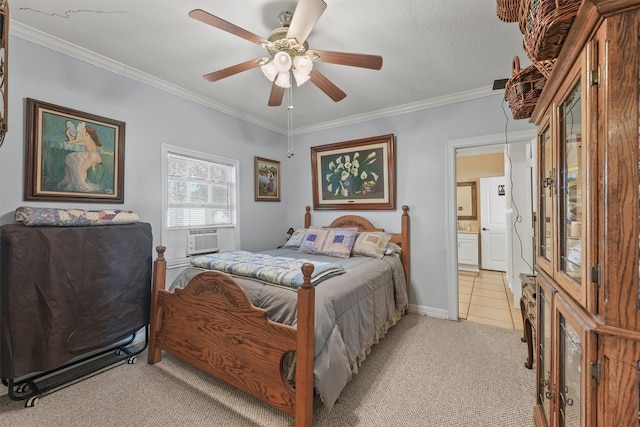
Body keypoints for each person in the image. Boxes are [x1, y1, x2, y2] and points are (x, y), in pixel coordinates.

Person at [58, 122, 103, 192]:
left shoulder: (84, 139)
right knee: (74, 156)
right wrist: (78, 131)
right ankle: (91, 168)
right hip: (95, 155)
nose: (81, 129)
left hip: (93, 157)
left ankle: (82, 185)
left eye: (83, 129)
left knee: (82, 169)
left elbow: (72, 141)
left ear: (86, 131)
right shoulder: (88, 137)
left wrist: (67, 134)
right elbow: (83, 135)